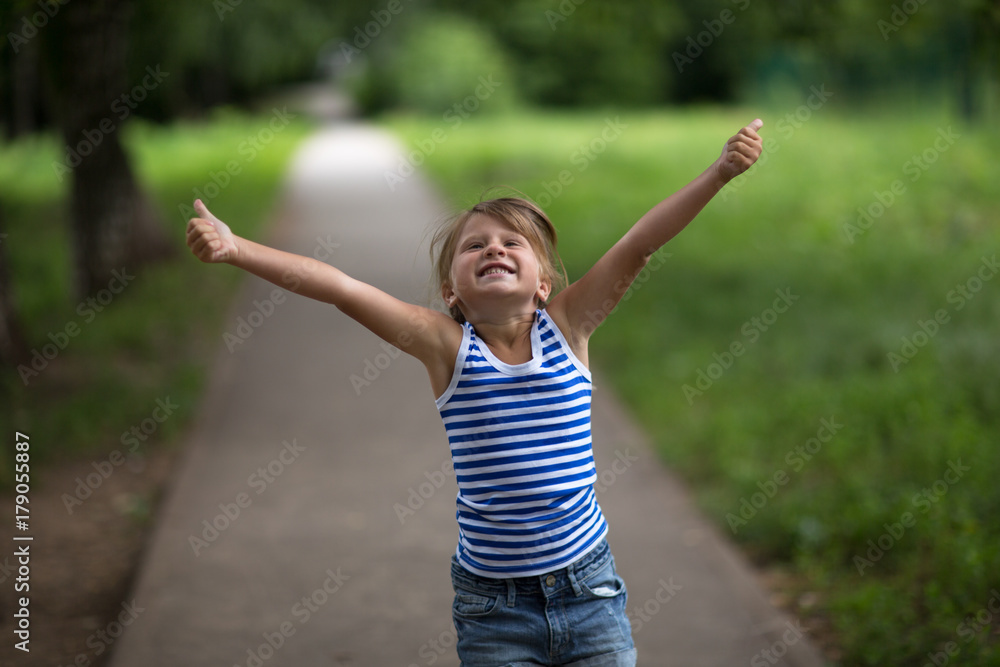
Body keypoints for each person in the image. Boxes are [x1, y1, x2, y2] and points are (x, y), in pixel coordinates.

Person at [186, 118, 764, 666]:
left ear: (544, 283)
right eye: (475, 246)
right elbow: (342, 288)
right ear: (450, 292)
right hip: (494, 608)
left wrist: (717, 174)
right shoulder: (446, 347)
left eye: (514, 242)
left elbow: (639, 243)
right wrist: (239, 249)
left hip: (590, 588)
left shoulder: (569, 327)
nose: (494, 249)